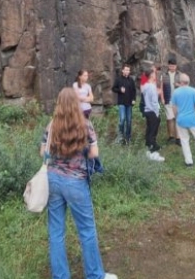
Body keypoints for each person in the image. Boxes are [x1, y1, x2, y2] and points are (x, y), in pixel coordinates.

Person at [40, 88, 118, 279]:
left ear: (59, 103)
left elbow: (43, 153)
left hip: (53, 180)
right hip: (75, 182)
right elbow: (94, 153)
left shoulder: (51, 125)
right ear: (76, 103)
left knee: (56, 232)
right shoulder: (85, 124)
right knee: (86, 230)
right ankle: (95, 275)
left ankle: (60, 276)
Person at [170, 73, 195, 167]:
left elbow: (174, 107)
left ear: (180, 82)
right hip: (192, 119)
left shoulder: (175, 92)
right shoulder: (193, 91)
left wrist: (176, 116)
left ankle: (189, 162)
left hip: (181, 119)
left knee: (184, 140)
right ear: (188, 81)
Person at [141, 69, 164, 161]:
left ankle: (151, 145)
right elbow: (154, 101)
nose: (155, 75)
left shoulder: (145, 86)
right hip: (152, 111)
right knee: (152, 131)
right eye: (154, 74)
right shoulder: (151, 87)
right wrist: (157, 112)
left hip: (147, 110)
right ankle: (152, 150)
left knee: (149, 129)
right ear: (151, 75)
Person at [111, 64, 136, 144]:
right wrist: (119, 90)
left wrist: (134, 99)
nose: (127, 71)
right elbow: (113, 88)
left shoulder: (131, 80)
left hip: (129, 103)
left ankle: (128, 138)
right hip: (121, 103)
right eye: (125, 70)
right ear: (122, 70)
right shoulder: (118, 79)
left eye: (128, 70)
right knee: (122, 120)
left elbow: (134, 91)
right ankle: (121, 136)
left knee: (129, 121)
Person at [160, 58, 181, 145]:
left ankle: (178, 138)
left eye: (173, 66)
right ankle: (171, 136)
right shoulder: (164, 75)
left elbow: (185, 85)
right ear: (168, 66)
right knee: (169, 118)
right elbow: (161, 88)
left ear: (176, 66)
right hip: (168, 99)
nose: (172, 67)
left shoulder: (180, 75)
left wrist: (178, 85)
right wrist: (162, 98)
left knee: (177, 119)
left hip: (178, 100)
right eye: (171, 66)